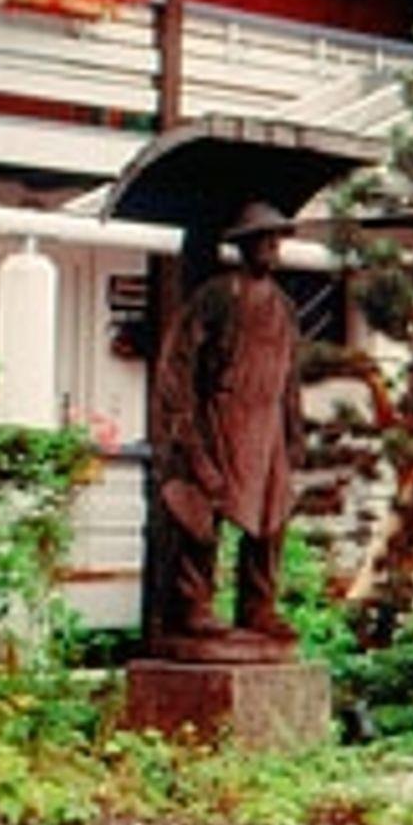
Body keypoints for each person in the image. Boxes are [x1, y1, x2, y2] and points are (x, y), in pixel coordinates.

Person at [151, 200, 304, 646]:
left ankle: (258, 605)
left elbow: (290, 375)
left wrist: (294, 430)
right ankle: (193, 603)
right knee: (203, 508)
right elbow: (179, 365)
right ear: (244, 246)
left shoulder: (283, 306)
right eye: (264, 240)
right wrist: (185, 430)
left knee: (272, 517)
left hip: (268, 424)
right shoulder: (217, 296)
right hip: (223, 417)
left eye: (276, 240)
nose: (272, 248)